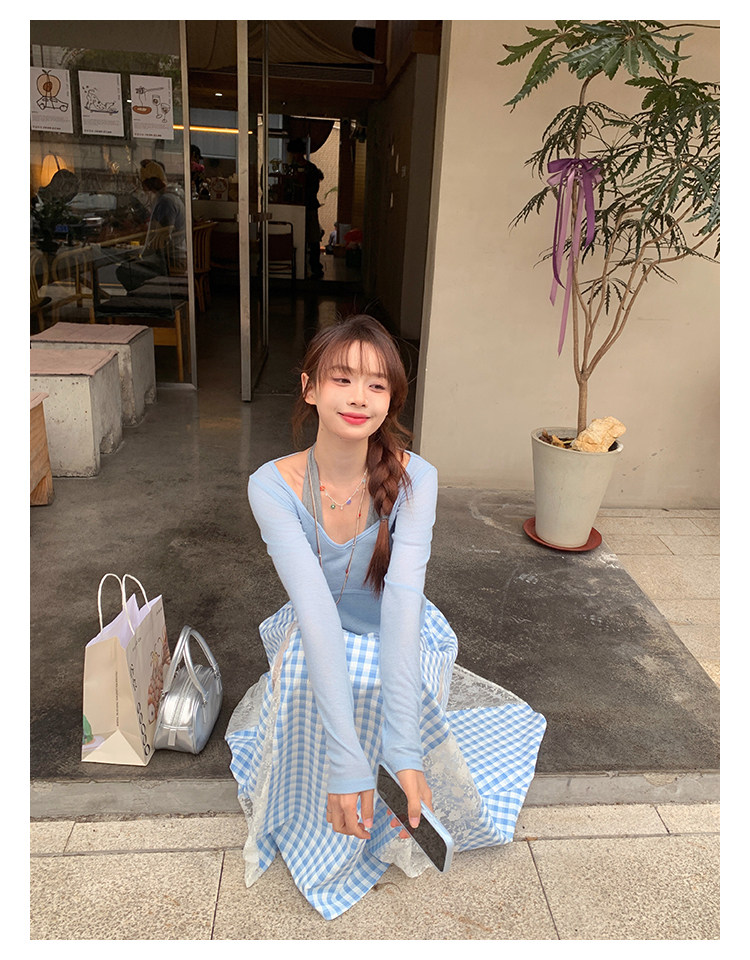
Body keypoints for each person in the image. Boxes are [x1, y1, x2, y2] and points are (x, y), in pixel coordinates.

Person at [226, 315, 547, 920]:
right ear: (309, 388)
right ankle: (308, 808)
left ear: (392, 400)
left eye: (376, 385)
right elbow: (315, 612)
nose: (358, 397)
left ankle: (392, 802)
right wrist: (348, 760)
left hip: (400, 629)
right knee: (308, 675)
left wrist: (405, 752)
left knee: (386, 683)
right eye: (342, 379)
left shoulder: (416, 477)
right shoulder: (272, 485)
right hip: (317, 626)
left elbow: (402, 601)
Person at [116, 159, 186, 291]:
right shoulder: (168, 198)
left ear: (148, 182)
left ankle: (143, 296)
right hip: (172, 255)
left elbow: (161, 238)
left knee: (125, 270)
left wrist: (141, 254)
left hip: (169, 260)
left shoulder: (165, 201)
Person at [286, 137, 325, 279]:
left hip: (309, 206)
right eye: (293, 153)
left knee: (313, 237)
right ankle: (301, 266)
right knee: (298, 237)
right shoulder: (291, 169)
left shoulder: (310, 169)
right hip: (296, 207)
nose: (294, 156)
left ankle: (315, 266)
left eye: (296, 153)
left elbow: (314, 188)